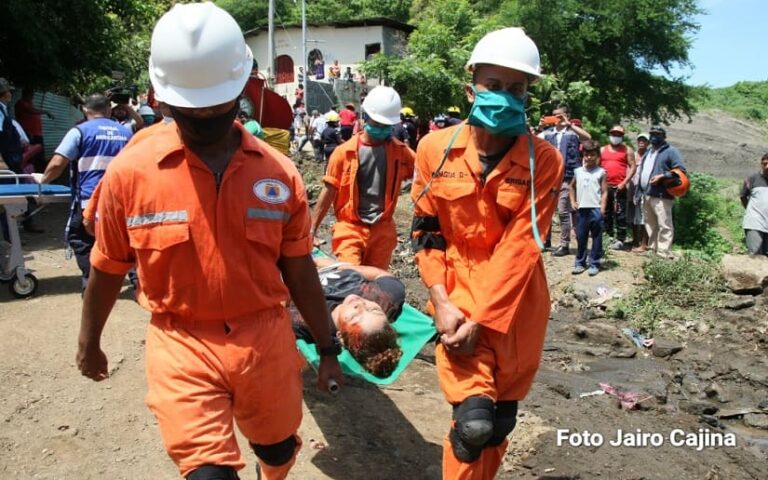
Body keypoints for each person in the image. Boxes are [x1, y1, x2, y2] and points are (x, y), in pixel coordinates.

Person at [74, 4, 343, 480]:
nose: (205, 119)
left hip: (264, 337)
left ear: (240, 89)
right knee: (208, 475)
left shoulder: (277, 175)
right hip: (181, 342)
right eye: (190, 110)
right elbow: (107, 265)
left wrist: (326, 348)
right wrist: (88, 342)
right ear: (161, 99)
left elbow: (299, 269)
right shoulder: (130, 175)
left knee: (278, 450)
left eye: (216, 108)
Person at [410, 27, 562, 480]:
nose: (504, 96)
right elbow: (427, 232)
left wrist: (483, 319)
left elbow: (521, 247)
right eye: (493, 86)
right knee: (473, 425)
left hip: (516, 307)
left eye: (516, 89)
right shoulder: (434, 149)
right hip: (455, 296)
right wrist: (440, 301)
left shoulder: (544, 160)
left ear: (528, 94)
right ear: (470, 87)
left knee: (497, 428)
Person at [312, 86, 415, 270]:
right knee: (350, 280)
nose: (382, 129)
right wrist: (311, 230)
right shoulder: (343, 153)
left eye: (386, 126)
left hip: (382, 228)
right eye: (377, 124)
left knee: (375, 284)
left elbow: (423, 173)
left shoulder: (399, 151)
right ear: (365, 117)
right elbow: (329, 191)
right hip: (350, 227)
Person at [38, 93, 133, 288]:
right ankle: (137, 281)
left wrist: (43, 180)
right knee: (124, 238)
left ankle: (92, 282)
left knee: (81, 238)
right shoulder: (125, 133)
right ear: (108, 110)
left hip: (90, 200)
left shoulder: (79, 131)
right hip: (121, 199)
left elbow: (58, 162)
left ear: (85, 110)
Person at [291, 257, 405, 377]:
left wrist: (302, 267)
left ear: (340, 336)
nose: (360, 304)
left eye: (354, 317)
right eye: (374, 310)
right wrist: (340, 267)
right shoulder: (387, 298)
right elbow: (382, 275)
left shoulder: (305, 322)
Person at [543, 104, 591, 256]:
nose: (557, 118)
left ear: (566, 116)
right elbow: (529, 141)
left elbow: (587, 138)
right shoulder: (547, 133)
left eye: (559, 115)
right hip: (550, 177)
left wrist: (569, 124)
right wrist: (539, 126)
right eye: (554, 115)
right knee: (547, 211)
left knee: (563, 210)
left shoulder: (572, 133)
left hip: (567, 178)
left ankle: (564, 244)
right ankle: (545, 240)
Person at [636, 125, 687, 258]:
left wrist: (662, 176)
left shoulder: (671, 151)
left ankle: (663, 251)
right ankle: (653, 249)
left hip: (662, 195)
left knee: (664, 224)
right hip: (647, 193)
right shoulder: (649, 152)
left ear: (664, 136)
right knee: (650, 223)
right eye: (652, 134)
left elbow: (680, 171)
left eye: (658, 134)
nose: (654, 137)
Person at [570, 140, 608, 275]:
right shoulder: (578, 171)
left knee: (597, 238)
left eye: (592, 155)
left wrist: (602, 208)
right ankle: (580, 262)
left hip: (595, 209)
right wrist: (573, 201)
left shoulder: (601, 172)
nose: (589, 157)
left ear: (597, 156)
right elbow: (571, 187)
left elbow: (604, 192)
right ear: (583, 156)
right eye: (587, 155)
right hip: (582, 210)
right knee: (581, 237)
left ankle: (594, 263)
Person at [599, 125, 636, 250]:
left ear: (622, 136)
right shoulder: (602, 150)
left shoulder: (627, 150)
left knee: (620, 213)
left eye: (619, 135)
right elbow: (597, 166)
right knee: (605, 212)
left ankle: (620, 239)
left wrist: (625, 182)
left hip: (619, 187)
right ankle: (607, 236)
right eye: (614, 134)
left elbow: (632, 167)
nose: (616, 137)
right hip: (604, 186)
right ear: (610, 134)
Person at [14, 87, 54, 172]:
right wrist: (46, 112)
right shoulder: (21, 103)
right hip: (28, 133)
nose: (32, 97)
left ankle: (40, 171)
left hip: (36, 133)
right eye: (31, 95)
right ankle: (29, 171)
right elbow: (31, 111)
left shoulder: (29, 102)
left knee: (39, 154)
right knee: (30, 154)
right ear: (25, 94)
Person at [740, 153, 768, 256]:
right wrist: (750, 211)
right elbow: (743, 196)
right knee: (755, 255)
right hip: (754, 222)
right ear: (761, 164)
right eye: (765, 164)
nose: (767, 167)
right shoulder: (752, 179)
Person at [629, 132, 649, 252]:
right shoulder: (633, 155)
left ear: (648, 143)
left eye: (644, 140)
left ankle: (644, 242)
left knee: (645, 216)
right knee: (633, 216)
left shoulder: (650, 156)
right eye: (640, 140)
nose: (641, 142)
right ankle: (635, 240)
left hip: (645, 189)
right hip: (632, 188)